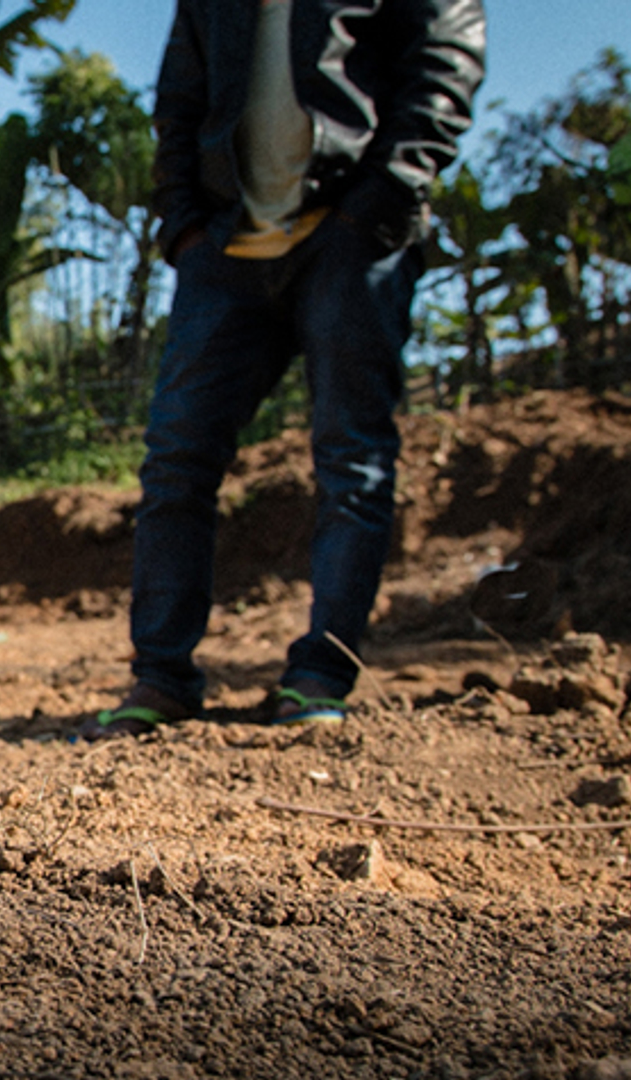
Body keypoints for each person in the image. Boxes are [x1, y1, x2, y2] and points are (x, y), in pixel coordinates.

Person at [79, 0, 485, 739]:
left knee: (351, 458)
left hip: (351, 237)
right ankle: (160, 678)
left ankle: (320, 676)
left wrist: (382, 198)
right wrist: (184, 229)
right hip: (225, 249)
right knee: (175, 458)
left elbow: (445, 56)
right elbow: (178, 103)